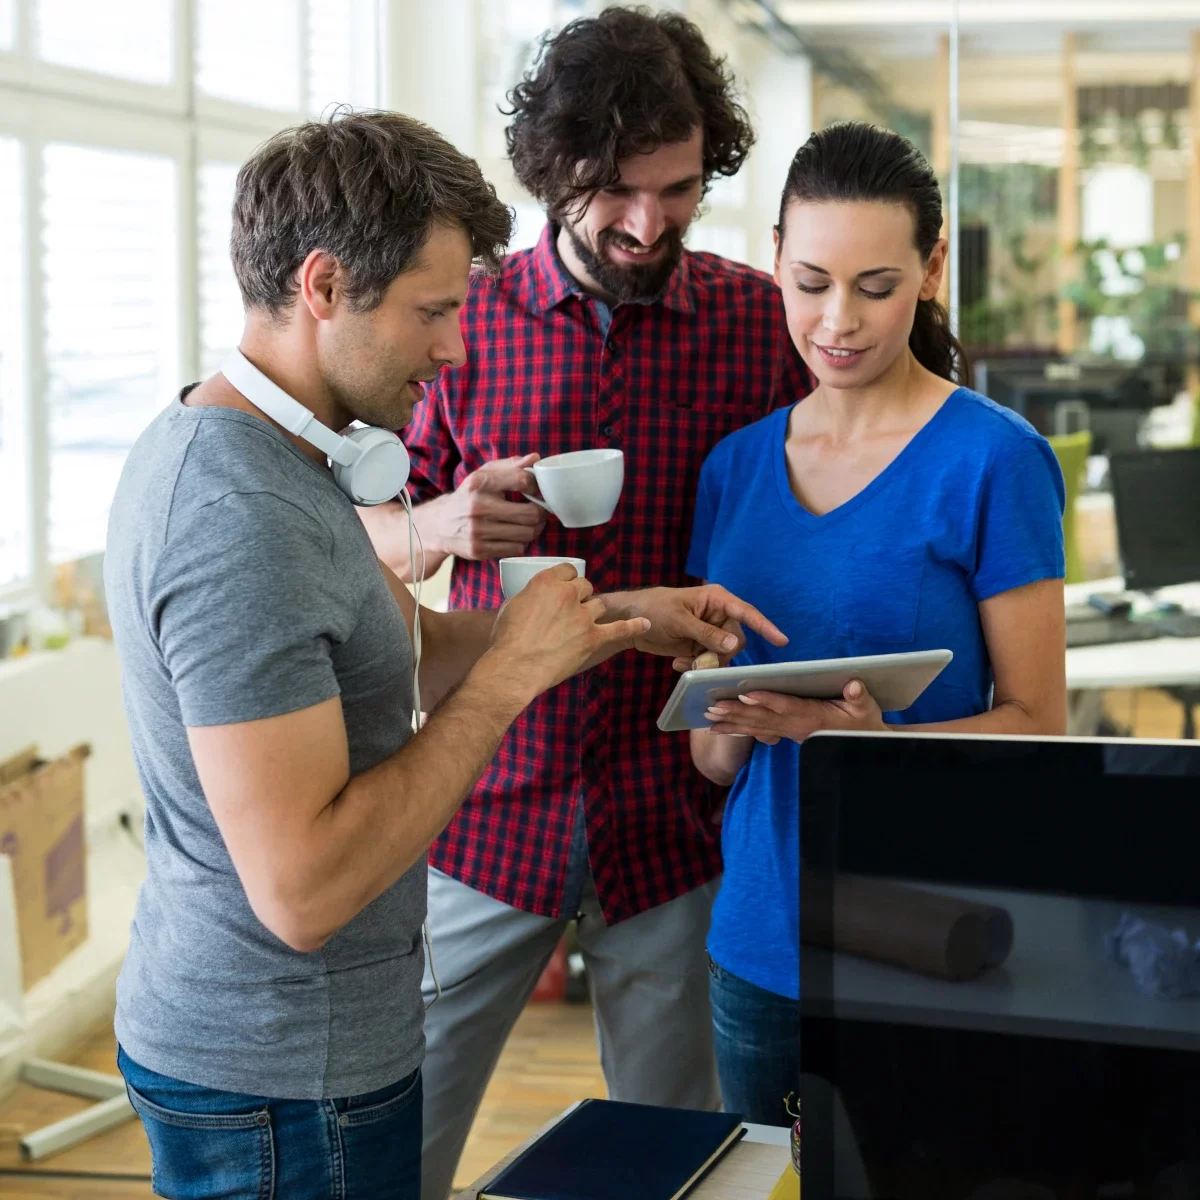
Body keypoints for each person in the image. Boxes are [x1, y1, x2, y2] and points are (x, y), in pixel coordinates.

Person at [102, 110, 785, 1200]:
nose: (457, 349)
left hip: (308, 1057)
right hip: (284, 1080)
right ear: (325, 286)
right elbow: (305, 889)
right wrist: (511, 681)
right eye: (433, 311)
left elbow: (408, 653)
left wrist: (617, 619)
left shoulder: (281, 459)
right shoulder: (240, 516)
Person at [358, 10, 811, 1199]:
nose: (648, 224)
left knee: (673, 1162)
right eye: (615, 190)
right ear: (552, 171)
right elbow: (349, 532)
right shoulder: (457, 318)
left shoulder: (757, 324)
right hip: (483, 801)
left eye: (678, 190)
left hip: (677, 812)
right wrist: (436, 524)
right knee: (396, 1143)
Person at [687, 121, 1068, 1127]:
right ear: (775, 259)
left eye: (876, 286)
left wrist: (874, 746)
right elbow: (713, 765)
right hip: (759, 942)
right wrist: (730, 718)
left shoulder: (995, 461)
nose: (838, 322)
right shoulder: (733, 468)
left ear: (931, 270)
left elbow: (1040, 726)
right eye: (811, 283)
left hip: (922, 936)